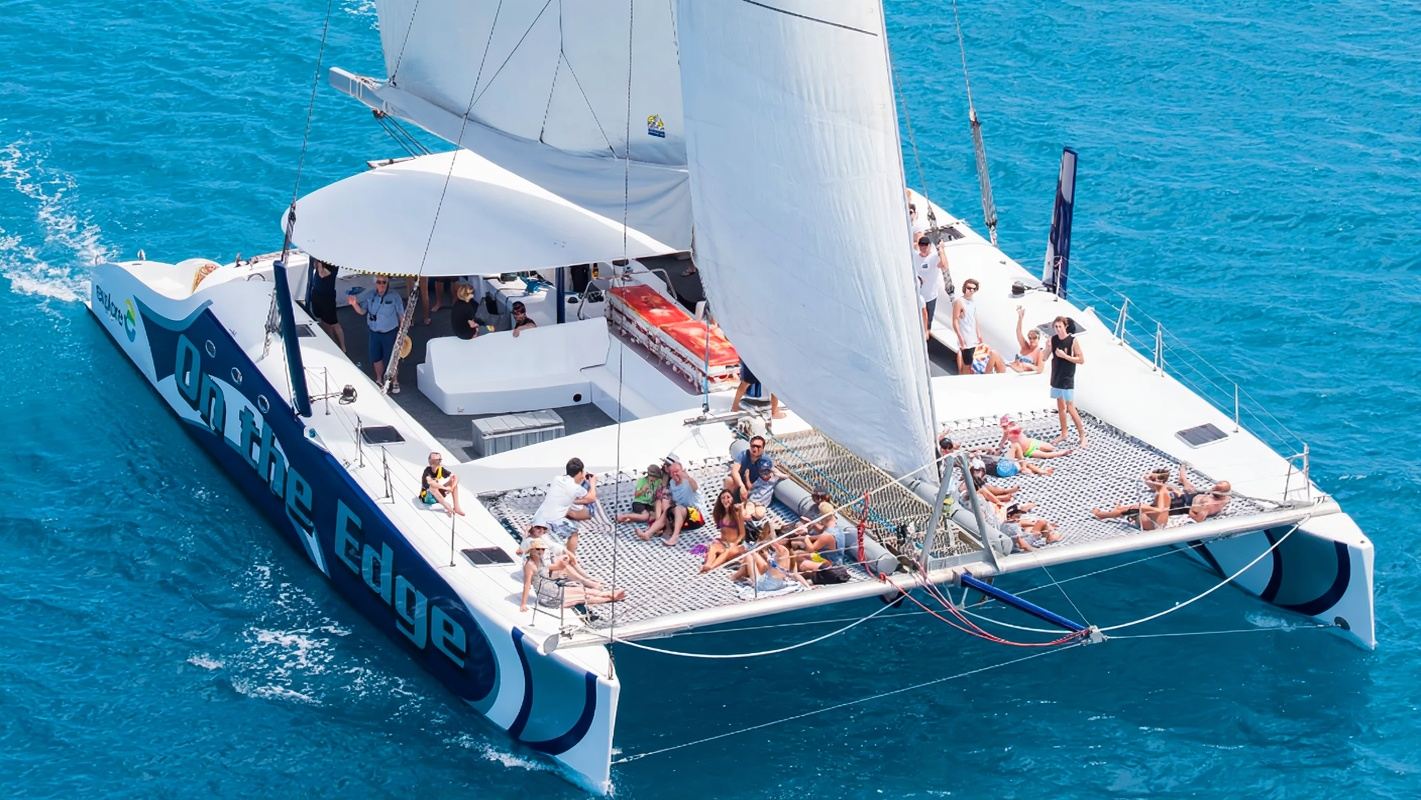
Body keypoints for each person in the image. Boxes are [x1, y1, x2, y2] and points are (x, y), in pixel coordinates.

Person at [518, 539, 626, 613]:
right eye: (537, 549)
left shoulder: (541, 561)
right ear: (531, 550)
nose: (540, 551)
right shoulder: (529, 565)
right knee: (580, 597)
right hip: (547, 596)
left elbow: (554, 567)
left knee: (581, 590)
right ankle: (610, 598)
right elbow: (527, 585)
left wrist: (563, 562)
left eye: (542, 549)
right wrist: (523, 604)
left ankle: (609, 594)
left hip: (553, 589)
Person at [346, 275, 405, 392]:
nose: (382, 284)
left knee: (392, 358)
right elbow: (362, 311)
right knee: (376, 356)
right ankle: (379, 379)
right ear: (375, 283)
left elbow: (401, 315)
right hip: (374, 332)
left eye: (384, 282)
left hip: (390, 332)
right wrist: (354, 304)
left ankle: (395, 381)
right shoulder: (370, 295)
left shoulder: (395, 296)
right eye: (379, 282)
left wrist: (402, 333)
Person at [532, 457, 599, 549]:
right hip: (555, 519)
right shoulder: (575, 488)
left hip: (543, 517)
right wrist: (593, 483)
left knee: (567, 501)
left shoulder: (557, 479)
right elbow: (591, 498)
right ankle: (571, 561)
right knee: (573, 533)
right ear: (580, 472)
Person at [640, 457, 702, 547]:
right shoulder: (672, 483)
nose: (675, 474)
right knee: (667, 504)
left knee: (677, 508)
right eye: (672, 473)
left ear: (682, 471)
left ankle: (674, 537)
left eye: (677, 471)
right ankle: (648, 533)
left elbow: (695, 487)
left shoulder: (689, 481)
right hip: (683, 517)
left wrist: (688, 477)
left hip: (696, 517)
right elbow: (665, 494)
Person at [1047, 315, 1088, 447]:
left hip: (1067, 378)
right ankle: (1064, 433)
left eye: (1060, 326)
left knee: (1070, 407)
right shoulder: (1053, 340)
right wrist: (1047, 347)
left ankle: (1082, 435)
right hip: (1056, 377)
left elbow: (1081, 360)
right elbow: (1043, 358)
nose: (1058, 329)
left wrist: (1065, 356)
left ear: (1065, 326)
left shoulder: (1072, 341)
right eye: (1056, 327)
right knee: (1060, 407)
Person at [1091, 468, 1172, 530]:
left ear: (1159, 481)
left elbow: (1160, 510)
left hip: (1154, 525)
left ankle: (1103, 515)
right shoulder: (1162, 488)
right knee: (1136, 507)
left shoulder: (1162, 493)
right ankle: (1118, 511)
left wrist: (1144, 507)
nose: (1146, 479)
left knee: (1135, 508)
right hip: (1158, 522)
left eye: (1151, 479)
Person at [701, 489, 748, 572]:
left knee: (727, 551)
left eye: (728, 497)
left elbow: (742, 534)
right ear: (720, 500)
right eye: (723, 498)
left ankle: (711, 567)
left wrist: (734, 544)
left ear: (732, 499)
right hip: (723, 543)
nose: (726, 500)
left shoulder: (737, 513)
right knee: (713, 547)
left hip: (736, 545)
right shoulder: (719, 513)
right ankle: (707, 564)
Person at [914, 235, 950, 336]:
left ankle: (926, 335)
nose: (923, 247)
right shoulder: (915, 256)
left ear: (929, 246)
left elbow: (944, 266)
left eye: (925, 245)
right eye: (921, 245)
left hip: (930, 296)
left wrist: (941, 250)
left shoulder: (934, 257)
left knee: (928, 322)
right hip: (917, 295)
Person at [308, 258, 345, 352]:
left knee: (333, 323)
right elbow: (314, 266)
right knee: (324, 321)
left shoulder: (333, 264)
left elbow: (322, 273)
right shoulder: (321, 262)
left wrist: (319, 261)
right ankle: (332, 343)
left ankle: (343, 347)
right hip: (317, 293)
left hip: (327, 297)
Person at [952, 278, 983, 375]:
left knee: (971, 361)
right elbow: (955, 320)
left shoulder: (973, 302)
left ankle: (964, 376)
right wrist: (960, 337)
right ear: (965, 288)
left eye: (974, 289)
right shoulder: (959, 302)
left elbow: (975, 319)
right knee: (967, 362)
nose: (971, 290)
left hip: (973, 337)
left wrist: (979, 334)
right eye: (969, 288)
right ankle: (964, 378)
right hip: (965, 337)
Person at [419, 452, 464, 516]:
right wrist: (445, 488)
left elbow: (455, 477)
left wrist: (451, 488)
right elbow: (432, 483)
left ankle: (457, 507)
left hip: (437, 496)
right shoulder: (427, 471)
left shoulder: (441, 469)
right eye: (432, 460)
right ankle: (446, 506)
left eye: (437, 460)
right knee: (432, 487)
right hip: (427, 498)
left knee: (453, 482)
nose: (434, 462)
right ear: (429, 461)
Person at [1009, 307, 1045, 373]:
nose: (1032, 340)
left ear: (1038, 338)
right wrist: (1020, 318)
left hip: (1019, 374)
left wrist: (1029, 365)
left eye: (1034, 337)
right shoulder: (1025, 347)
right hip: (1012, 369)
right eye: (1030, 338)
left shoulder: (1039, 352)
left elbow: (1040, 369)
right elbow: (1018, 332)